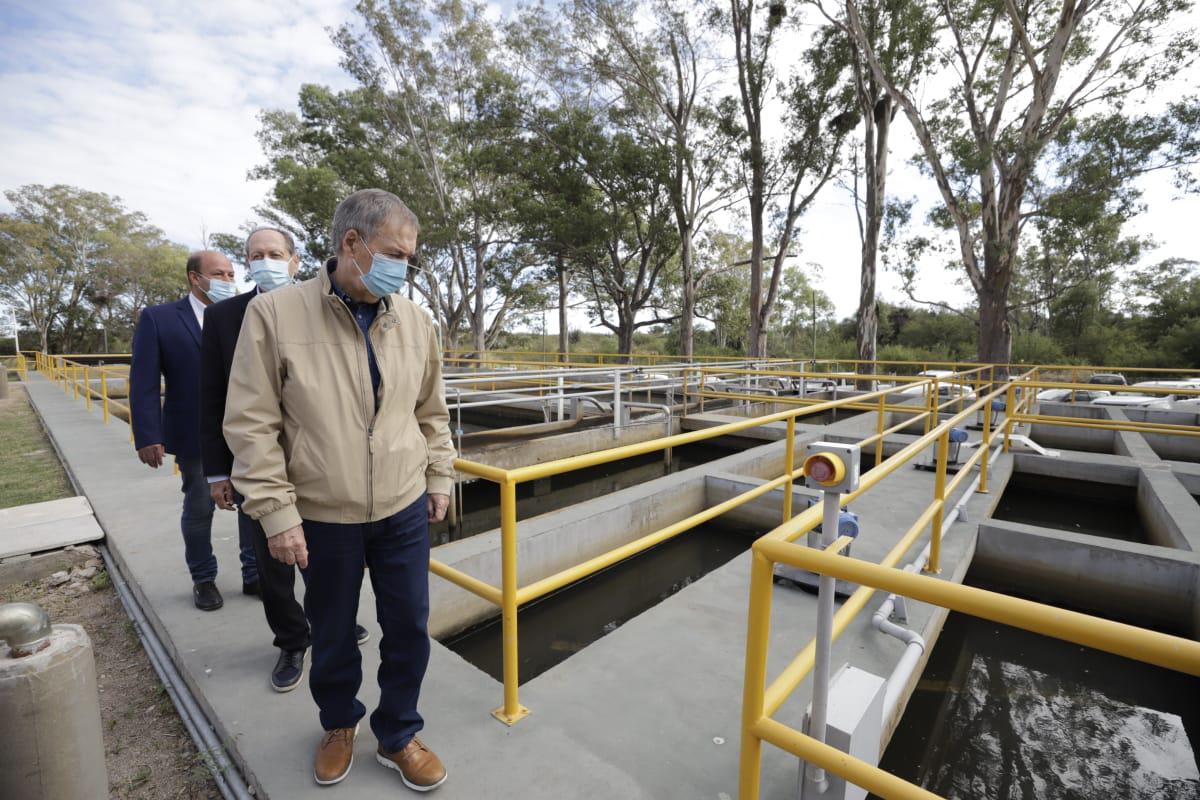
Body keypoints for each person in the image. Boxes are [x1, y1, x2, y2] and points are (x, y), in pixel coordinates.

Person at [224, 189, 455, 790]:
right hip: (322, 512)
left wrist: (438, 475)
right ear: (352, 244)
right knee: (331, 630)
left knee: (407, 626)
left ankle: (399, 733)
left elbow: (432, 412)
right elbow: (252, 423)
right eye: (396, 253)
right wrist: (276, 513)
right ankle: (338, 723)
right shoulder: (275, 316)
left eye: (410, 257)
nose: (404, 266)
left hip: (402, 505)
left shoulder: (416, 321)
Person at [199, 227, 371, 693]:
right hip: (260, 469)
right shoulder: (224, 318)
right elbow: (214, 400)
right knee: (273, 567)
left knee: (330, 564)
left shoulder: (322, 310)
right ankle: (292, 640)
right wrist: (218, 472)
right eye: (257, 255)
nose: (265, 261)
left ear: (295, 261)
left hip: (320, 466)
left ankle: (332, 625)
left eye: (276, 253)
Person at [130, 251, 257, 611]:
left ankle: (253, 572)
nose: (228, 280)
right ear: (194, 278)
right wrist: (148, 435)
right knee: (201, 506)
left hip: (248, 431)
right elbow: (143, 380)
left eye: (232, 273)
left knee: (253, 505)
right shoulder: (160, 318)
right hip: (195, 433)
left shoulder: (245, 314)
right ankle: (204, 578)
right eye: (219, 273)